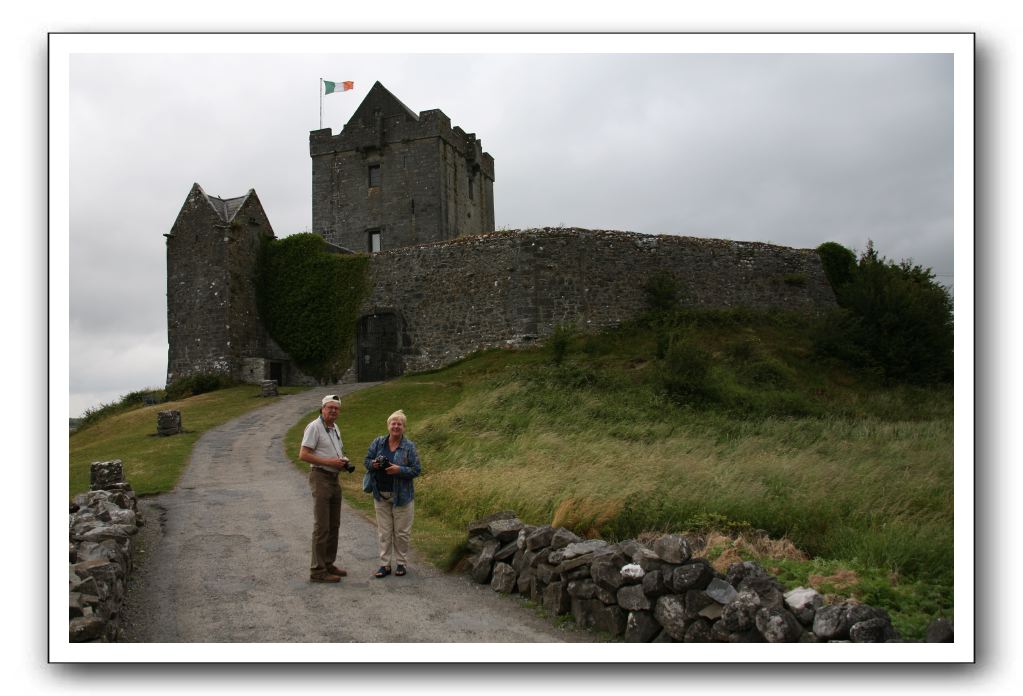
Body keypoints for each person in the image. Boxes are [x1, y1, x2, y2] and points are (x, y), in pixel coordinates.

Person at [300, 394, 355, 583]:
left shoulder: (334, 427)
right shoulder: (314, 427)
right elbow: (303, 454)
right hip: (320, 476)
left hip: (334, 478)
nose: (333, 411)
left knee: (334, 524)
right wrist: (329, 461)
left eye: (336, 408)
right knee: (322, 526)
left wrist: (341, 460)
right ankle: (317, 571)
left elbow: (334, 449)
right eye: (329, 407)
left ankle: (328, 564)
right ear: (322, 409)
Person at [363, 409, 421, 578]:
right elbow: (366, 460)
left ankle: (401, 563)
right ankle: (385, 564)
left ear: (404, 427)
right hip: (381, 495)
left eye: (399, 424)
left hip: (402, 496)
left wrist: (399, 470)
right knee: (384, 532)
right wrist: (373, 464)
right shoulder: (378, 442)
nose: (396, 426)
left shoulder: (409, 446)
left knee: (402, 532)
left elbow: (416, 470)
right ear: (388, 426)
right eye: (393, 423)